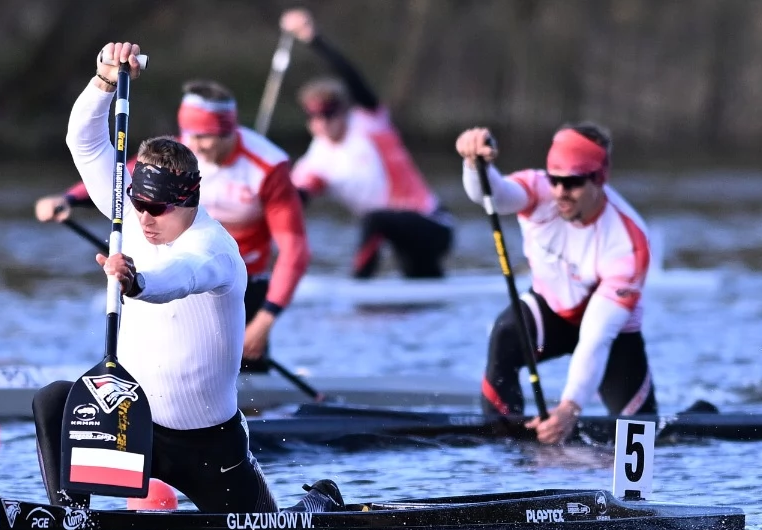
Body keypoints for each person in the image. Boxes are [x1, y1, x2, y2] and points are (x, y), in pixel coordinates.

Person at [32, 42, 342, 514]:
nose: (144, 218)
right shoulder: (132, 213)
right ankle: (70, 520)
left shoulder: (214, 249)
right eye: (138, 204)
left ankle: (321, 501)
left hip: (208, 447)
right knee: (55, 400)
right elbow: (83, 142)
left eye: (157, 208)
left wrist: (135, 282)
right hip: (135, 426)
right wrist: (103, 81)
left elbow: (180, 277)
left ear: (189, 201)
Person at [34, 80, 310, 373]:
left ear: (228, 130)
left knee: (243, 370)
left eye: (204, 136)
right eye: (190, 134)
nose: (195, 145)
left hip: (239, 283)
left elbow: (294, 250)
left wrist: (265, 320)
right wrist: (68, 199)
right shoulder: (182, 153)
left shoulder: (268, 167)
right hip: (170, 269)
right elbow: (124, 177)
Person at [456, 123, 656, 445]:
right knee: (505, 333)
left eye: (573, 182)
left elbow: (595, 337)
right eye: (555, 179)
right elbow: (492, 195)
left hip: (612, 334)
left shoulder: (628, 242)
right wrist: (474, 164)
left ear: (599, 179)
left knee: (641, 437)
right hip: (551, 313)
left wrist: (569, 408)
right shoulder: (538, 190)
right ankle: (502, 441)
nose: (560, 191)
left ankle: (689, 420)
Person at [279, 8, 453, 279]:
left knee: (375, 219)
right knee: (422, 287)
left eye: (328, 113)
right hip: (398, 240)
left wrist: (313, 39)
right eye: (314, 116)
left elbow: (352, 77)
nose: (322, 122)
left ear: (343, 112)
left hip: (434, 226)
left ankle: (357, 286)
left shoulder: (370, 124)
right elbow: (294, 201)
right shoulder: (314, 162)